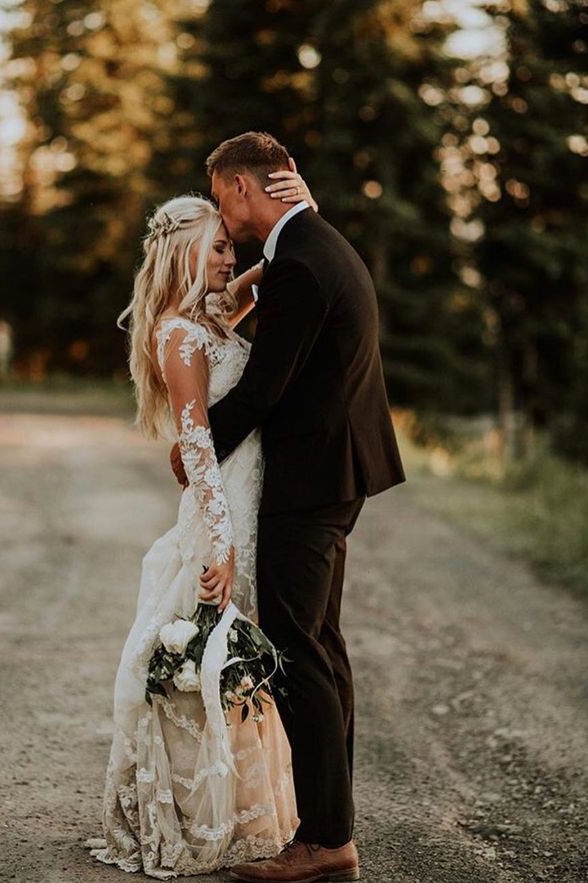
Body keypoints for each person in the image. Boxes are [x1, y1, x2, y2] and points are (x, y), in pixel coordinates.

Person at [170, 132, 406, 883]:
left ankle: (327, 840)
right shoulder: (312, 246)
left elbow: (265, 387)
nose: (219, 215)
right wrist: (250, 283)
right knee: (322, 646)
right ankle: (327, 824)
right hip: (342, 471)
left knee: (298, 651)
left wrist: (194, 450)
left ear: (244, 188)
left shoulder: (303, 259)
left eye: (219, 196)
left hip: (310, 481)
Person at [85, 164, 318, 877]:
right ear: (186, 251)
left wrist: (301, 220)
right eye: (218, 246)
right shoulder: (179, 336)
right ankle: (190, 813)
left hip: (245, 494)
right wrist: (220, 539)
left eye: (230, 245)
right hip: (223, 507)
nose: (230, 257)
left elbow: (244, 299)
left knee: (231, 659)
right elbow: (195, 439)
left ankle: (238, 805)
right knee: (201, 656)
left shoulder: (205, 320)